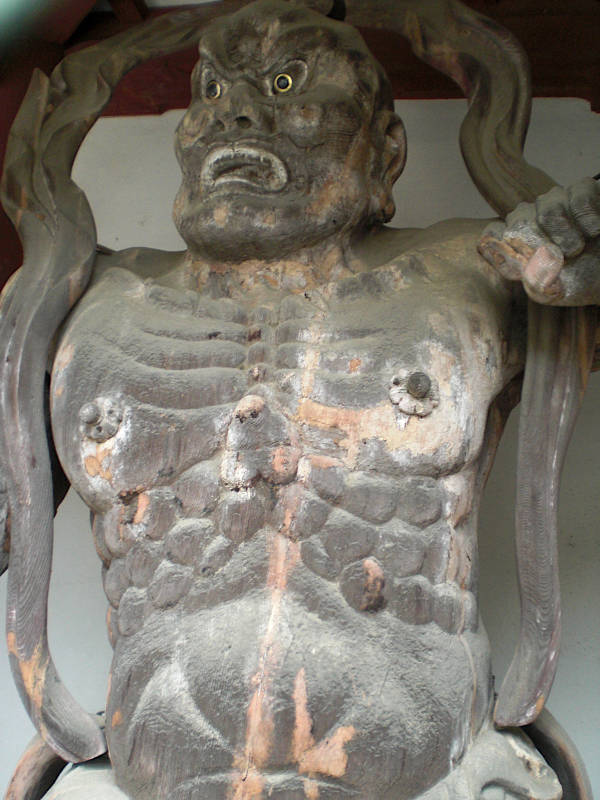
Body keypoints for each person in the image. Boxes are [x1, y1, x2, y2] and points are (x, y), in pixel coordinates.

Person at [2, 1, 598, 798]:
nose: (238, 114)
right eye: (213, 90)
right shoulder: (83, 307)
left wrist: (582, 247)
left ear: (386, 152)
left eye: (287, 84)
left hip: (427, 764)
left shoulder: (473, 276)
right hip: (157, 756)